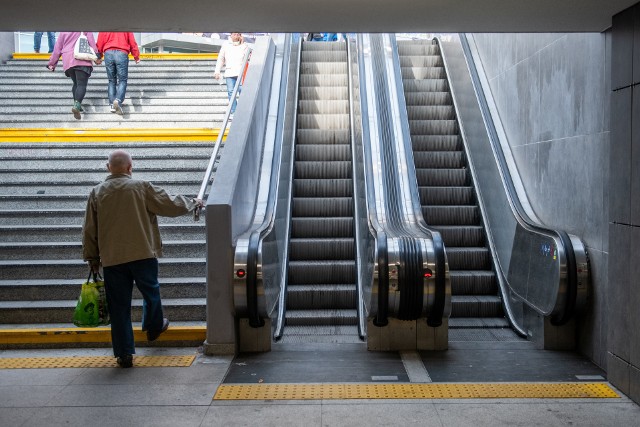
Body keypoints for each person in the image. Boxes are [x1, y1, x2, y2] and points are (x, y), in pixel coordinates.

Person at [82, 150, 203, 368]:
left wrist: (92, 257)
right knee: (150, 292)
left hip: (112, 258)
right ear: (130, 167)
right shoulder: (141, 187)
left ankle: (124, 354)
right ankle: (154, 325)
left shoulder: (96, 192)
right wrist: (193, 203)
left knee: (118, 307)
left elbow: (90, 229)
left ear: (108, 167)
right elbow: (169, 204)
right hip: (142, 253)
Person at [47, 32, 101, 120]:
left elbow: (57, 48)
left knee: (76, 83)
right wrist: (96, 55)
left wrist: (52, 64)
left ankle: (77, 105)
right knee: (81, 84)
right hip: (82, 58)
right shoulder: (84, 27)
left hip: (68, 59)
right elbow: (91, 41)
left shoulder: (64, 31)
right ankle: (77, 105)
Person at [96, 32, 140, 115]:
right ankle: (118, 100)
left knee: (111, 80)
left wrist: (98, 56)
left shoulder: (104, 25)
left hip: (108, 53)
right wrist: (136, 56)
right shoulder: (125, 25)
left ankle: (113, 104)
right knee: (122, 80)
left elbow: (100, 42)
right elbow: (132, 41)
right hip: (122, 52)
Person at [214, 32, 251, 117]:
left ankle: (243, 110)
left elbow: (248, 57)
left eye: (238, 34)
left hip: (241, 72)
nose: (236, 36)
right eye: (234, 34)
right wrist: (217, 71)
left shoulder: (244, 46)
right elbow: (221, 58)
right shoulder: (226, 44)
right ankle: (234, 111)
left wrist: (242, 44)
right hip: (229, 72)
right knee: (231, 92)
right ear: (231, 35)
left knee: (242, 90)